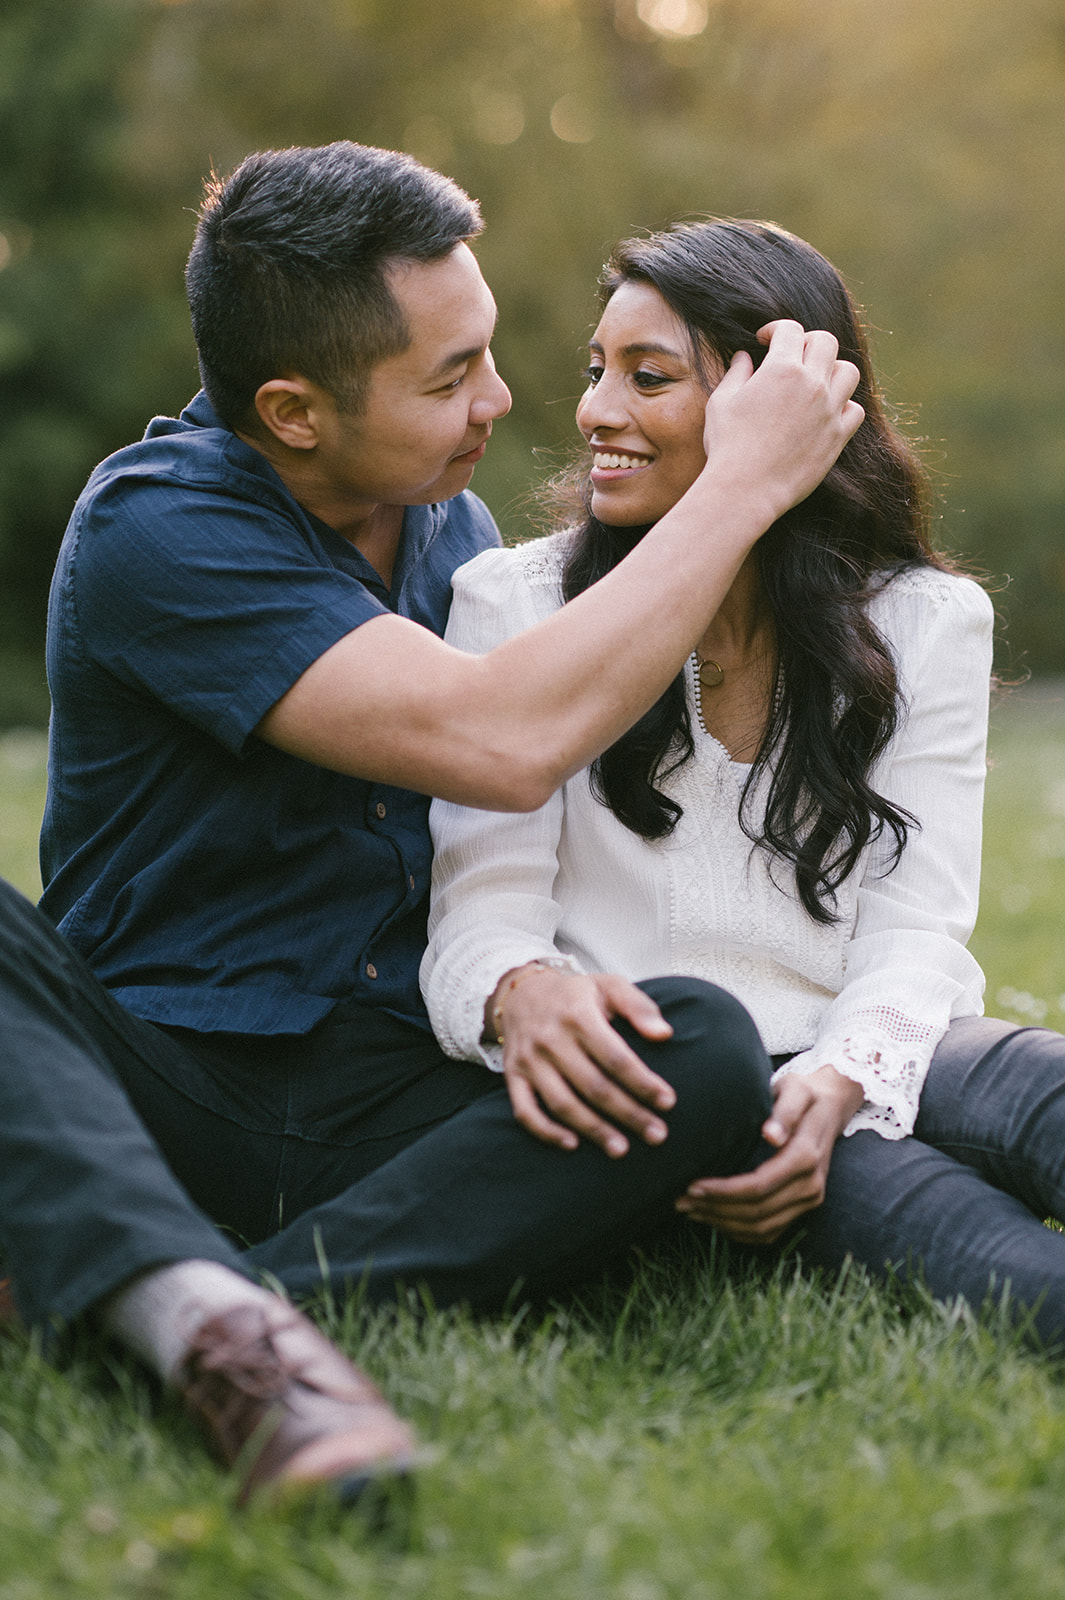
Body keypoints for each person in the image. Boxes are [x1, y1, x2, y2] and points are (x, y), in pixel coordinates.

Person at [0, 150, 863, 1507]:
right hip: (159, 1079)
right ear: (292, 412)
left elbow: (520, 838)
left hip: (387, 1092)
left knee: (691, 1045)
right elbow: (502, 741)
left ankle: (187, 1304)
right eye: (448, 376)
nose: (505, 400)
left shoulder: (447, 530)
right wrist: (738, 487)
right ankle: (210, 1326)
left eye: (490, 353)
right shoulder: (155, 528)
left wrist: (524, 987)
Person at [423, 217, 1065, 1351]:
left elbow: (918, 929)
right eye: (596, 370)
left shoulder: (923, 620)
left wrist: (844, 1079)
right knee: (1020, 1279)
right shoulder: (513, 604)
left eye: (648, 375)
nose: (593, 411)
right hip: (687, 1086)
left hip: (870, 1041)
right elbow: (481, 918)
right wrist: (527, 997)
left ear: (778, 406)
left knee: (1043, 1095)